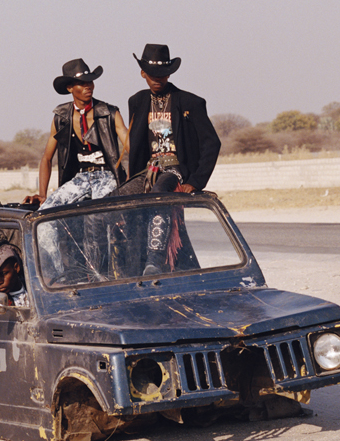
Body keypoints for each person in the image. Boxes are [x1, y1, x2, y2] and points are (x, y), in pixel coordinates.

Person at [125, 44, 221, 274]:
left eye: (162, 74)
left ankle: (155, 262)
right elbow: (137, 145)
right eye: (152, 74)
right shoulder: (136, 102)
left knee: (160, 196)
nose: (157, 79)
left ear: (169, 74)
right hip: (147, 171)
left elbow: (212, 143)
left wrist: (196, 181)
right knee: (111, 203)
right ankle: (112, 268)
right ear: (142, 74)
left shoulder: (190, 102)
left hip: (175, 169)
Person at [28, 59, 129, 211]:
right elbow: (47, 158)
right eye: (82, 83)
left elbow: (132, 149)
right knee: (46, 213)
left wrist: (129, 183)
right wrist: (42, 194)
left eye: (90, 82)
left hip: (107, 176)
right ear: (70, 88)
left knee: (98, 216)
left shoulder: (110, 113)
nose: (88, 87)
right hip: (80, 178)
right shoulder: (61, 118)